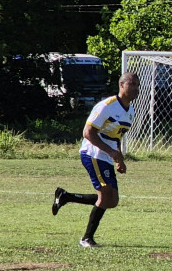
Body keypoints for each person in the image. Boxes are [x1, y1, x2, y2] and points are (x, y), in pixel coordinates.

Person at [51, 72, 140, 247]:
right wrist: (111, 152)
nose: (136, 89)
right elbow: (88, 133)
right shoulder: (106, 106)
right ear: (122, 85)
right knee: (106, 195)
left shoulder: (130, 111)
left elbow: (116, 137)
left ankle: (66, 197)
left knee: (112, 201)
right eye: (132, 84)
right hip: (93, 153)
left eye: (138, 85)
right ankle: (86, 239)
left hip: (107, 155)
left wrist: (119, 158)